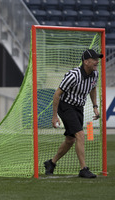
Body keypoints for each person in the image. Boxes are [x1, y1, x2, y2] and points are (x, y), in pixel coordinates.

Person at [44, 49, 103, 178]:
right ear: (86, 62)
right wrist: (54, 116)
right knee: (80, 134)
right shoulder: (73, 75)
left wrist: (95, 106)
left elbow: (93, 88)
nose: (97, 62)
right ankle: (83, 169)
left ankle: (51, 163)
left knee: (70, 140)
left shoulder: (95, 74)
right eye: (94, 59)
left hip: (79, 108)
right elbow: (57, 94)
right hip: (66, 106)